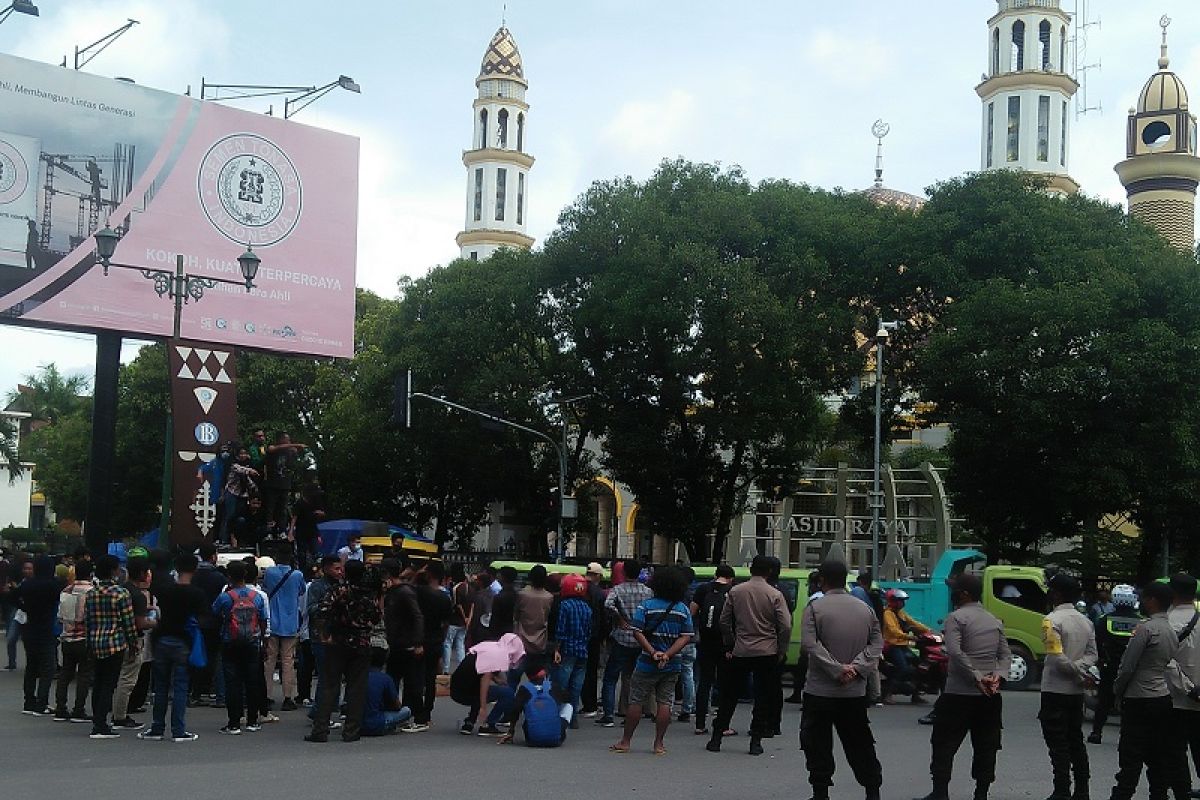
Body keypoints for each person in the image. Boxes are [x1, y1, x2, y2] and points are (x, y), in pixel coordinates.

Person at [915, 573, 1010, 800]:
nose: (952, 593)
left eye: (955, 590)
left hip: (958, 694)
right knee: (987, 746)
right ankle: (981, 794)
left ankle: (940, 793)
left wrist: (977, 677)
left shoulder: (955, 618)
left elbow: (956, 652)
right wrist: (997, 677)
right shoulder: (994, 620)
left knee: (943, 743)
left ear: (964, 594)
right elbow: (1005, 655)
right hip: (989, 696)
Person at [799, 560, 884, 800]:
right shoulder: (864, 609)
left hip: (820, 691)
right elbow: (876, 643)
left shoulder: (815, 608)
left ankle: (820, 792)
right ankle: (872, 790)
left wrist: (836, 669)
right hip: (854, 692)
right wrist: (857, 668)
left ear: (822, 580)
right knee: (860, 743)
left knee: (816, 744)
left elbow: (810, 645)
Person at [707, 555, 791, 756]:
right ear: (769, 572)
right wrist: (781, 648)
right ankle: (756, 740)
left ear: (750, 569)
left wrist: (730, 641)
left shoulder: (736, 591)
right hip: (767, 650)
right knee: (762, 696)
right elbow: (785, 625)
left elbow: (724, 621)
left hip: (741, 648)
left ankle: (717, 737)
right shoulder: (774, 594)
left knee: (730, 694)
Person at [608, 565, 694, 756]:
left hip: (647, 661)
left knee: (636, 700)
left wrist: (653, 651)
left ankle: (626, 741)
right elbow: (686, 635)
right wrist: (668, 654)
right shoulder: (682, 609)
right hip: (672, 663)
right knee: (665, 702)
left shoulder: (646, 606)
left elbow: (637, 631)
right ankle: (659, 744)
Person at [1109, 581, 1177, 800]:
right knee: (1157, 756)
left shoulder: (1145, 629)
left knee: (1131, 756)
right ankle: (1159, 795)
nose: (1142, 601)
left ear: (1153, 601)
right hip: (1162, 696)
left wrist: (1117, 690)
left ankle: (1122, 795)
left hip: (1138, 697)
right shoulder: (1171, 631)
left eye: (1145, 598)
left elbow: (1128, 666)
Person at [306, 559, 380, 743]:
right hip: (361, 643)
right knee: (356, 688)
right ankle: (352, 731)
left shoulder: (339, 591)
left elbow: (322, 611)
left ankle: (320, 730)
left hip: (337, 642)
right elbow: (376, 617)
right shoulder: (369, 594)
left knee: (329, 686)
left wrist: (325, 633)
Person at [1039, 574, 1098, 800]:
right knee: (1076, 741)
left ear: (1057, 594)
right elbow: (1093, 654)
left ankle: (1061, 789)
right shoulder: (1086, 621)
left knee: (1057, 744)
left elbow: (1055, 657)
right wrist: (1080, 669)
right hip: (1076, 691)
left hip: (1054, 690)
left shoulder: (1051, 620)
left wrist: (1072, 668)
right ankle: (1082, 790)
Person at [139, 552, 206, 742]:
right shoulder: (197, 594)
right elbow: (203, 618)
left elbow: (157, 613)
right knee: (180, 687)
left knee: (160, 687)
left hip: (162, 639)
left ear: (176, 568)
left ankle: (157, 728)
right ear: (194, 570)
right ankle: (178, 730)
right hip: (184, 642)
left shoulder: (164, 590)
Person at [85, 555, 137, 739]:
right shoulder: (121, 593)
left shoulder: (91, 593)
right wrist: (133, 643)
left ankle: (97, 721)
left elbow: (88, 620)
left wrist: (88, 642)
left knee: (98, 683)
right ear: (114, 570)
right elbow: (128, 622)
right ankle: (101, 724)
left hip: (96, 641)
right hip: (115, 642)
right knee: (109, 683)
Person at [212, 560, 267, 735]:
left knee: (232, 682)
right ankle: (252, 720)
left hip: (230, 641)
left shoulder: (225, 596)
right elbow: (263, 619)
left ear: (229, 576)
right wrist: (262, 640)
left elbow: (214, 613)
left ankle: (234, 723)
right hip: (252, 642)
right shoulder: (256, 596)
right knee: (252, 681)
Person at [597, 558, 653, 727]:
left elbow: (607, 604)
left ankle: (608, 715)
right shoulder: (647, 591)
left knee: (611, 677)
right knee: (635, 678)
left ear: (624, 572)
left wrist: (619, 617)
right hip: (640, 638)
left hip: (621, 637)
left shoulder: (618, 590)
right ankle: (631, 713)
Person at [1088, 584, 1141, 744]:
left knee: (1103, 700)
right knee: (1130, 702)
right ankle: (1128, 736)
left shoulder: (1105, 620)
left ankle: (1096, 733)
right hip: (1133, 668)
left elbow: (1096, 642)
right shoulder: (1141, 622)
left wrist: (1100, 661)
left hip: (1109, 666)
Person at [1166, 573, 1200, 800]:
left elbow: (1165, 662)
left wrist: (1187, 689)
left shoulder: (1167, 622)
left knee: (1176, 749)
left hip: (1177, 698)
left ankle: (1182, 791)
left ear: (1172, 593)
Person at [450, 632, 524, 735]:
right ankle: (489, 724)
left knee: (479, 688)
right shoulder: (499, 655)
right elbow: (484, 681)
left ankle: (470, 722)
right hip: (468, 693)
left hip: (456, 689)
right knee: (507, 693)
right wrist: (483, 708)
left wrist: (496, 679)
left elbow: (478, 668)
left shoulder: (489, 646)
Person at [13, 554, 60, 716]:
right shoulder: (53, 585)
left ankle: (29, 701)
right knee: (48, 668)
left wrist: (24, 607)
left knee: (31, 666)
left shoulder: (28, 585)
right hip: (46, 628)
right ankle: (42, 702)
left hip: (29, 628)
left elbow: (12, 597)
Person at [111, 557, 156, 729]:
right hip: (133, 639)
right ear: (142, 574)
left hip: (115, 637)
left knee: (116, 677)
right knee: (127, 680)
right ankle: (120, 716)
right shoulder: (138, 596)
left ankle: (113, 711)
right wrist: (156, 622)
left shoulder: (121, 590)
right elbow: (141, 623)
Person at [691, 563, 735, 736]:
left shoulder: (703, 589)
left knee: (704, 682)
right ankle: (723, 725)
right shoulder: (733, 591)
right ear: (730, 577)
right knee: (725, 683)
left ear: (716, 575)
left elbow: (692, 611)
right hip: (725, 643)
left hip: (705, 642)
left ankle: (700, 724)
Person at [262, 547, 306, 712]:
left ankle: (267, 696)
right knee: (288, 661)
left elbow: (266, 588)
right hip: (290, 622)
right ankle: (288, 697)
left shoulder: (270, 573)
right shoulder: (297, 575)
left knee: (269, 660)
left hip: (272, 621)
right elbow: (302, 591)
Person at [382, 558, 425, 729]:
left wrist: (417, 642)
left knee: (411, 683)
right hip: (396, 642)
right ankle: (400, 714)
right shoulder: (392, 592)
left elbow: (417, 616)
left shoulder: (404, 592)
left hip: (406, 642)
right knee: (393, 679)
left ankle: (417, 716)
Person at [54, 559, 95, 723]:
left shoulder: (66, 590)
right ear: (91, 573)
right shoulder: (92, 591)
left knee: (65, 674)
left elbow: (60, 617)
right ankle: (78, 709)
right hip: (84, 637)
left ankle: (60, 708)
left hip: (67, 636)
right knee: (84, 675)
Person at [414, 561, 451, 730]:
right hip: (436, 639)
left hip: (418, 639)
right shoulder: (444, 597)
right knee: (430, 679)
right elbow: (446, 623)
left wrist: (418, 573)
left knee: (415, 677)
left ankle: (415, 711)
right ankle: (426, 713)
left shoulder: (418, 592)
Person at [551, 572, 593, 722]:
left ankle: (557, 716)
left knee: (561, 685)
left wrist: (556, 648)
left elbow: (560, 630)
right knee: (576, 687)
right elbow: (589, 630)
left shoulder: (565, 605)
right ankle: (572, 717)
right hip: (582, 650)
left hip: (567, 650)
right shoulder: (587, 608)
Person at [499, 662, 573, 747]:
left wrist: (511, 731)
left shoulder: (524, 689)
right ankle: (557, 730)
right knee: (568, 706)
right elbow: (568, 698)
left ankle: (536, 731)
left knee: (529, 712)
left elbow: (515, 711)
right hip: (556, 740)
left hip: (532, 740)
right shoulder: (553, 686)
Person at [190, 543, 228, 707]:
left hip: (196, 621)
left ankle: (195, 693)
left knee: (197, 656)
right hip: (215, 621)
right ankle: (218, 693)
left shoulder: (193, 576)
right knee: (216, 657)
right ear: (213, 556)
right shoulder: (220, 577)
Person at [882, 588, 931, 704]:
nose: (902, 603)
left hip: (903, 646)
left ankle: (916, 695)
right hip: (893, 646)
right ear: (893, 600)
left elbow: (914, 623)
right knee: (903, 668)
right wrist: (910, 637)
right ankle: (888, 694)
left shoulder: (901, 613)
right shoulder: (887, 613)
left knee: (920, 666)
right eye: (900, 600)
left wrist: (930, 631)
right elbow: (894, 631)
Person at [515, 564, 554, 677]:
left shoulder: (522, 595)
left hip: (522, 642)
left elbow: (516, 616)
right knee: (538, 679)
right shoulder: (549, 598)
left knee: (513, 679)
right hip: (540, 643)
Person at [362, 647, 412, 736]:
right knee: (406, 711)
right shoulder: (385, 678)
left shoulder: (358, 676)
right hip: (377, 722)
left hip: (357, 723)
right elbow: (397, 705)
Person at [580, 561, 609, 717]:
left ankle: (571, 701)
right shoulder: (599, 593)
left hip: (578, 634)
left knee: (576, 669)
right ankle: (589, 704)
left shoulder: (580, 588)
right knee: (591, 671)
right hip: (594, 636)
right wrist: (603, 636)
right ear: (598, 575)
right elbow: (604, 618)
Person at [264, 432, 306, 534]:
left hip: (285, 484)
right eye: (287, 439)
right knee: (270, 509)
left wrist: (296, 450)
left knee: (283, 509)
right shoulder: (272, 448)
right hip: (272, 484)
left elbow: (295, 459)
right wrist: (294, 444)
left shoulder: (290, 452)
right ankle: (269, 531)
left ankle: (282, 530)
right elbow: (271, 449)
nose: (289, 442)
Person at [291, 477, 326, 574]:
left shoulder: (316, 501)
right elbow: (295, 517)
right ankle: (303, 571)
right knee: (301, 553)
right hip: (301, 531)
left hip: (313, 530)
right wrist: (291, 532)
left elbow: (323, 513)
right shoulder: (300, 503)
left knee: (315, 553)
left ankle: (317, 570)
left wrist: (318, 513)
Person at [444, 563, 472, 674]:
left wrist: (464, 616)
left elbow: (457, 604)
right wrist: (468, 618)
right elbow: (472, 604)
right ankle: (461, 667)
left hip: (454, 619)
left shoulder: (455, 588)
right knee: (460, 643)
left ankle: (446, 669)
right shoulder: (469, 587)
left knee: (448, 643)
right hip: (464, 622)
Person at [491, 566, 518, 638]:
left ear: (503, 577)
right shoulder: (517, 595)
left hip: (500, 632)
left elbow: (494, 619)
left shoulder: (499, 597)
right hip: (513, 630)